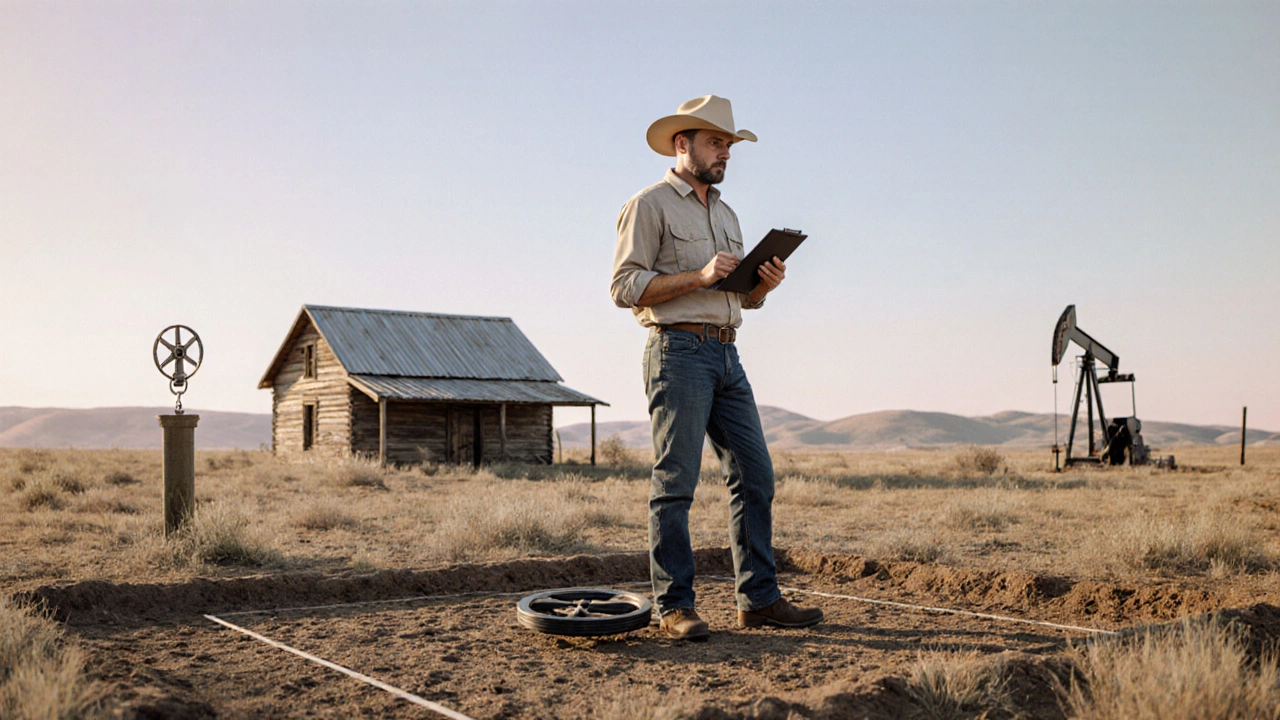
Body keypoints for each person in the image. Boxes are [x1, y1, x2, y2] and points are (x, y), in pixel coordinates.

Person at [610, 95, 823, 641]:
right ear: (683, 144)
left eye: (729, 143)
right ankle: (675, 606)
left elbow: (739, 298)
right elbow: (625, 287)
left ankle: (759, 600)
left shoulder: (727, 213)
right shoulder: (649, 204)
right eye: (716, 142)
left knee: (755, 474)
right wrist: (700, 276)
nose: (725, 151)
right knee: (676, 481)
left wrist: (762, 286)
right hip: (676, 352)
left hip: (728, 353)